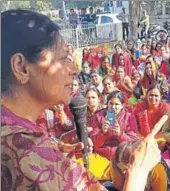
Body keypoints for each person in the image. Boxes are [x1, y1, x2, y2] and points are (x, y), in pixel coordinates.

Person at [1, 9, 161, 191]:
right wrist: (138, 170)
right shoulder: (24, 149)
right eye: (63, 58)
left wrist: (56, 160)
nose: (75, 70)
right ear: (21, 67)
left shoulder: (15, 134)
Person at [88, 90, 139, 178]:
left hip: (121, 157)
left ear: (122, 105)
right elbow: (94, 144)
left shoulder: (129, 117)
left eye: (117, 104)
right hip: (101, 155)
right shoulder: (98, 116)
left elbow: (133, 143)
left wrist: (120, 135)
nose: (113, 107)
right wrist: (102, 133)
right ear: (107, 104)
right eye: (111, 104)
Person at [101, 141, 168, 191]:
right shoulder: (115, 165)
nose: (124, 173)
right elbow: (120, 187)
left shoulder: (156, 169)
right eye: (122, 169)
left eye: (128, 169)